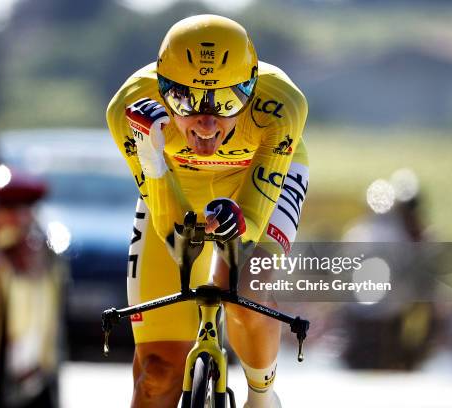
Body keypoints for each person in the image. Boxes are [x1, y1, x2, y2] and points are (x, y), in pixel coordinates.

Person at [106, 14, 309, 408]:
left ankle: (263, 396)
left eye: (228, 101)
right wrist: (152, 161)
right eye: (185, 99)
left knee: (243, 284)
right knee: (157, 375)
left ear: (251, 90)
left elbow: (250, 221)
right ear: (162, 89)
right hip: (174, 184)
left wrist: (240, 226)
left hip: (253, 181)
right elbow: (172, 229)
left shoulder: (282, 104)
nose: (206, 123)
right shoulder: (130, 107)